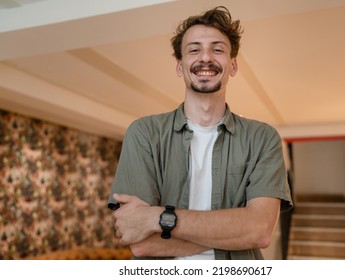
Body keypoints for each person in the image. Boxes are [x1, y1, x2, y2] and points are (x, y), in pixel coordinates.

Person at [107, 6, 293, 260]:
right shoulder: (144, 133)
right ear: (180, 66)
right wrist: (234, 233)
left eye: (218, 49)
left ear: (233, 65)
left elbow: (259, 231)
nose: (206, 58)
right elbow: (141, 243)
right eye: (194, 50)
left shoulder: (262, 138)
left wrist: (157, 218)